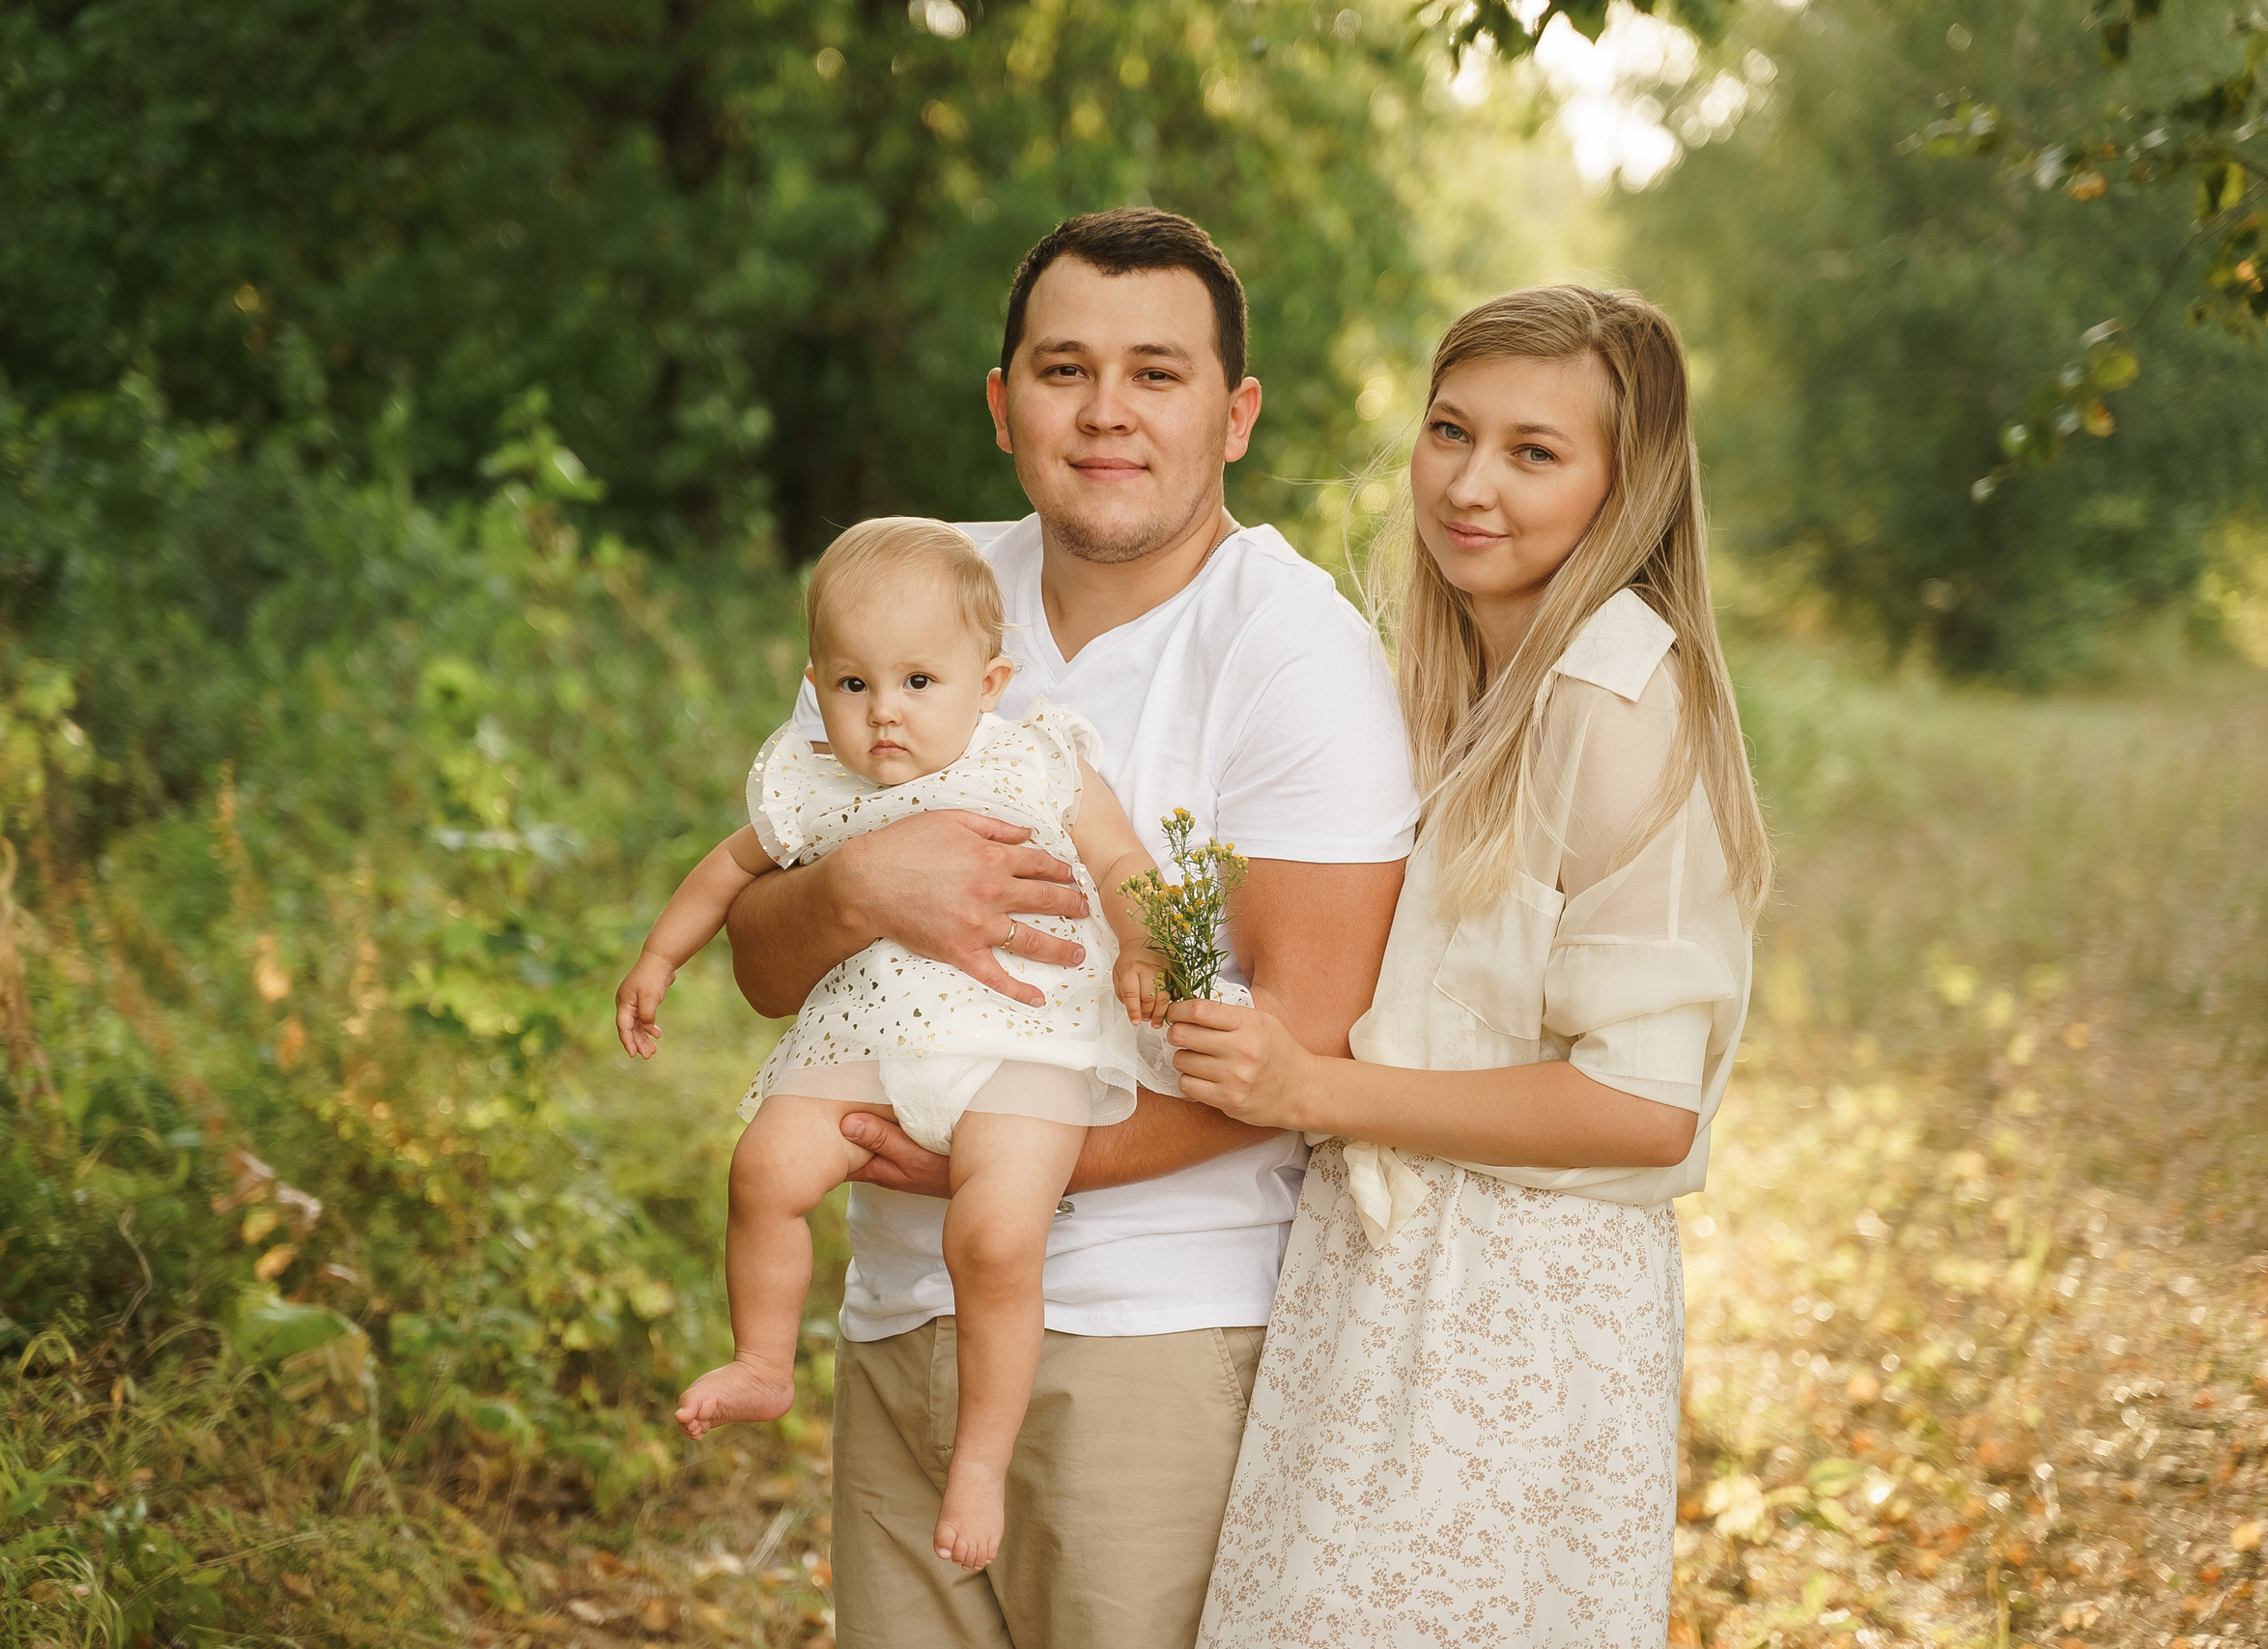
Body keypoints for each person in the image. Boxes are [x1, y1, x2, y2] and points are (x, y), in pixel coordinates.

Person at [716, 209, 1419, 1646]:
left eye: (1157, 374)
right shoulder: (908, 602)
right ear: (1001, 403)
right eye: (1064, 368)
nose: (1107, 412)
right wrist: (858, 888)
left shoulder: (1295, 651)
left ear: (1234, 416)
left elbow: (1308, 1035)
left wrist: (1002, 1173)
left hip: (1151, 1334)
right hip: (897, 1317)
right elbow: (759, 955)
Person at [1168, 286, 1773, 1647]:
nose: (1470, 483)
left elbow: (1644, 1106)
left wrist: (1315, 1088)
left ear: (1630, 485)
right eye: (1451, 430)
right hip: (1379, 1283)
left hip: (1518, 1313)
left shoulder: (1618, 707)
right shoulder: (1449, 688)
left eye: (1534, 451)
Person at [612, 516, 1170, 1571]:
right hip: (875, 1027)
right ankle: (764, 1361)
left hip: (1026, 1037)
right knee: (765, 1167)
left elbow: (1124, 864)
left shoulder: (1033, 760)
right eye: (854, 686)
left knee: (995, 1235)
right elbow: (729, 871)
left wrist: (1140, 945)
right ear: (816, 685)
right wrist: (657, 959)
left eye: (919, 682)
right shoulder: (813, 779)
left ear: (987, 678)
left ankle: (978, 1462)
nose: (883, 717)